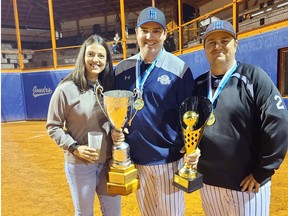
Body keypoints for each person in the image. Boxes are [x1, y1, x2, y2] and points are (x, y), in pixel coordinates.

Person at [112, 7, 199, 216]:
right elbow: (114, 112)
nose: (150, 37)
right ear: (136, 32)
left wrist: (188, 147)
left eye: (156, 31)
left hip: (168, 160)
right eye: (145, 30)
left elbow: (191, 114)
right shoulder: (122, 68)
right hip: (137, 160)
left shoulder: (179, 69)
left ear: (165, 34)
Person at [195, 20, 288, 216]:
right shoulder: (198, 85)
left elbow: (279, 124)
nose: (217, 46)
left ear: (235, 45)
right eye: (211, 42)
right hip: (209, 183)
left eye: (224, 40)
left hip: (247, 184)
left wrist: (262, 172)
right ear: (204, 48)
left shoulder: (253, 77)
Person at [46, 34, 121, 216]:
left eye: (101, 56)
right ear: (83, 56)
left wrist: (118, 132)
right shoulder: (66, 88)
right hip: (80, 164)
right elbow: (53, 126)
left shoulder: (110, 87)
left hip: (109, 163)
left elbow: (117, 119)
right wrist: (74, 148)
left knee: (114, 213)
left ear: (107, 60)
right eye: (91, 54)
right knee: (85, 213)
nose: (96, 60)